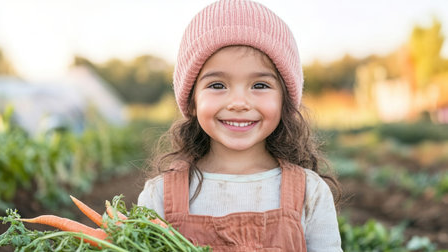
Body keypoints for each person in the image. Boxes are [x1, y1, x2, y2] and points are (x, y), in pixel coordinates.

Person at [138, 0, 342, 251]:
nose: (238, 103)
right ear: (192, 101)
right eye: (217, 85)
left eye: (259, 86)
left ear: (284, 100)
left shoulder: (310, 193)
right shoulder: (158, 196)